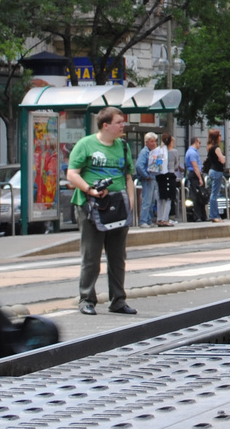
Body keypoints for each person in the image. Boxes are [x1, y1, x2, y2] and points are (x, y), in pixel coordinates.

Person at [65, 106, 137, 316]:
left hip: (118, 206)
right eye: (118, 122)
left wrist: (130, 203)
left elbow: (128, 177)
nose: (123, 125)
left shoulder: (123, 146)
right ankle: (87, 299)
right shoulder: (85, 144)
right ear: (106, 125)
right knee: (91, 255)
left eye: (123, 122)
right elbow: (72, 174)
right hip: (91, 206)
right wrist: (90, 190)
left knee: (117, 257)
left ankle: (118, 299)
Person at [135, 133, 160, 227]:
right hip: (148, 179)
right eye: (152, 141)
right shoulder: (144, 152)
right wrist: (146, 175)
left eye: (155, 141)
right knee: (147, 201)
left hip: (152, 178)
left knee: (152, 201)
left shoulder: (153, 152)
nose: (154, 143)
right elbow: (139, 165)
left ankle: (148, 220)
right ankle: (143, 221)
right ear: (146, 142)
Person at [204, 129, 228, 222]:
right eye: (220, 135)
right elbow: (223, 160)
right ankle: (214, 215)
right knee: (215, 194)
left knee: (214, 193)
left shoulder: (210, 147)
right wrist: (223, 157)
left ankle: (215, 214)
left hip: (212, 170)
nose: (221, 137)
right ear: (216, 137)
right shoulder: (216, 148)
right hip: (217, 171)